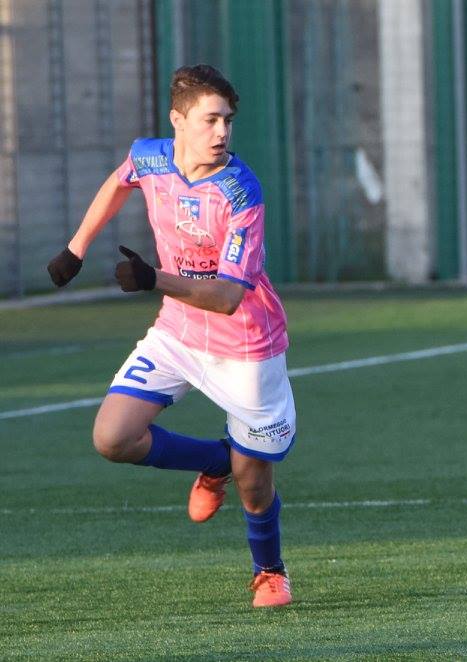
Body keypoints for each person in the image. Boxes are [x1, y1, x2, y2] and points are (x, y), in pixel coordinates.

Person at [46, 64, 295, 606]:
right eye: (210, 120)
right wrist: (75, 248)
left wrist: (152, 279)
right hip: (178, 332)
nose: (222, 132)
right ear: (178, 121)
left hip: (245, 345)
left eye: (228, 120)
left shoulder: (241, 191)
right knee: (113, 437)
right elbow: (119, 182)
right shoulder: (151, 156)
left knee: (254, 484)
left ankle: (269, 571)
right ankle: (214, 460)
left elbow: (228, 297)